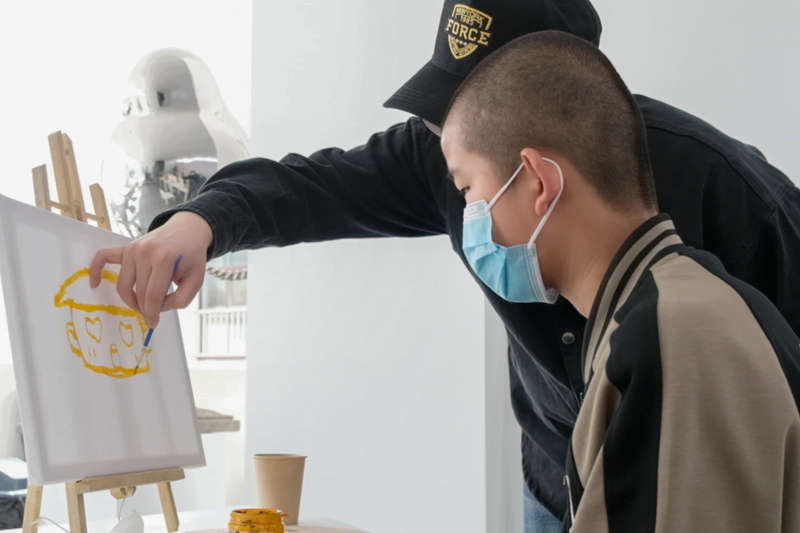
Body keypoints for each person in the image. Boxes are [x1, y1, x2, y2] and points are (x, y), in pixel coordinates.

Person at [89, 1, 800, 530]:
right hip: (559, 474)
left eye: (469, 178)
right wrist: (198, 222)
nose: (447, 148)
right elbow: (311, 187)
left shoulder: (728, 199)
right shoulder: (443, 153)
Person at [441, 29, 800, 532]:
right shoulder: (680, 306)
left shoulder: (667, 339)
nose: (470, 219)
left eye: (467, 189)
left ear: (538, 181)